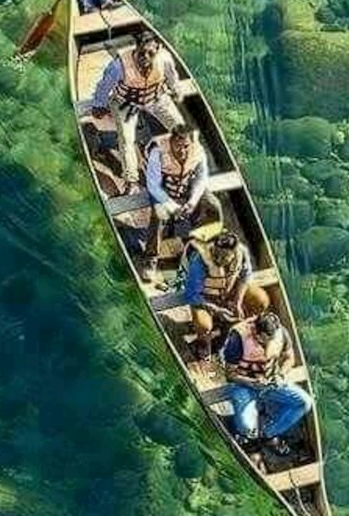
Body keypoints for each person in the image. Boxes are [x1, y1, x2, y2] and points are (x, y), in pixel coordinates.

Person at [83, 28, 184, 196]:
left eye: (150, 53)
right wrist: (99, 105)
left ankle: (182, 169)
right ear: (136, 49)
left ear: (158, 49)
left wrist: (176, 91)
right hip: (126, 103)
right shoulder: (119, 65)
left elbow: (172, 78)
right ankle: (131, 181)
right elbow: (104, 86)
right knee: (127, 139)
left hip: (156, 98)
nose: (145, 58)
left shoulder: (165, 58)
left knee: (181, 130)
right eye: (141, 53)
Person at [222, 309, 312, 454]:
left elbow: (290, 358)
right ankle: (246, 436)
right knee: (247, 428)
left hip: (271, 381)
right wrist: (251, 382)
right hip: (244, 385)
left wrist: (281, 375)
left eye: (273, 338)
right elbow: (230, 374)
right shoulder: (238, 339)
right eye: (266, 339)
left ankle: (269, 433)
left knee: (304, 402)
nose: (270, 342)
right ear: (257, 334)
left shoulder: (280, 332)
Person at [141, 124, 223, 278]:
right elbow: (153, 185)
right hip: (162, 192)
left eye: (186, 146)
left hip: (186, 187)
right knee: (159, 215)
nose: (182, 151)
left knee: (213, 206)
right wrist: (172, 207)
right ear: (171, 141)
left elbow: (201, 179)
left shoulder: (198, 151)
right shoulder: (157, 152)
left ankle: (203, 248)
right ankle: (150, 258)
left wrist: (192, 201)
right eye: (178, 146)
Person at [182, 230, 268, 359]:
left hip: (228, 291)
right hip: (206, 297)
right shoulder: (199, 262)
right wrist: (216, 310)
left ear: (233, 254)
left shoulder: (242, 252)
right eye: (215, 254)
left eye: (224, 257)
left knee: (261, 300)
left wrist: (237, 301)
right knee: (203, 325)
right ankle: (204, 342)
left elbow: (245, 276)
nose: (218, 259)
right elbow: (192, 295)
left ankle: (234, 324)